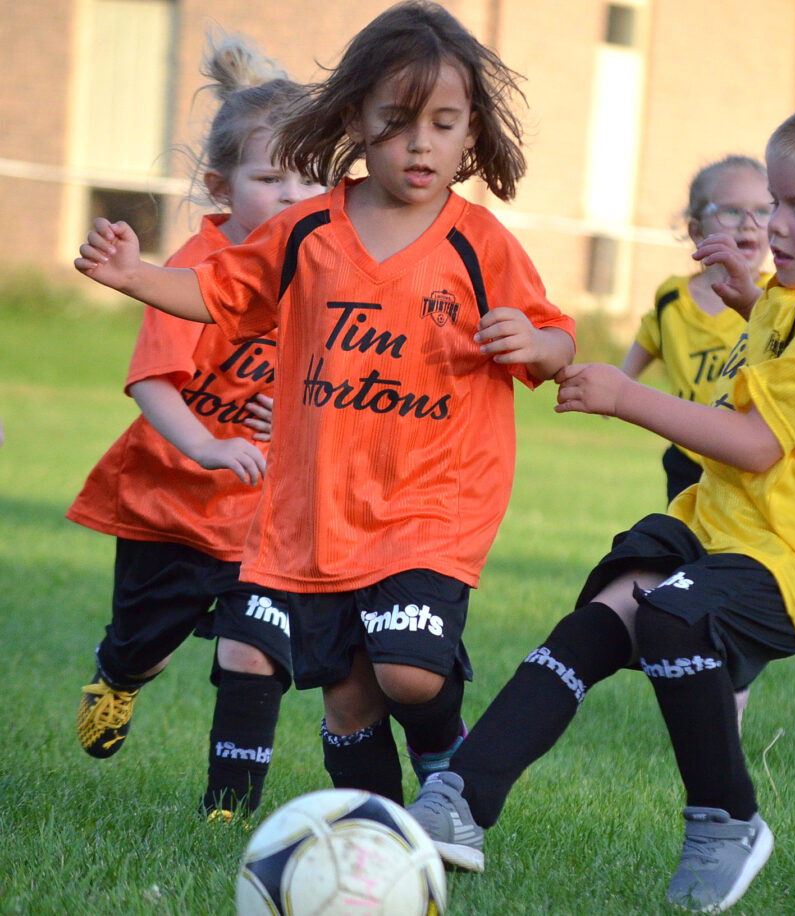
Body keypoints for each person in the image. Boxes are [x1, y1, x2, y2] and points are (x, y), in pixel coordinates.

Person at [405, 90, 795, 913]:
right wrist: (751, 296)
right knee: (599, 619)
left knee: (671, 617)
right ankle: (459, 801)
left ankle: (728, 821)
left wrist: (623, 394)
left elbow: (756, 442)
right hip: (718, 525)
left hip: (790, 557)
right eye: (771, 202)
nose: (776, 224)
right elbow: (789, 356)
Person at [74, 1, 576, 808]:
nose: (421, 143)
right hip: (324, 512)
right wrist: (135, 276)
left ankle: (451, 767)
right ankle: (380, 834)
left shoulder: (479, 244)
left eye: (444, 124)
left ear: (472, 134)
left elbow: (555, 342)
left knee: (408, 672)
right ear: (354, 120)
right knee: (348, 697)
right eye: (397, 121)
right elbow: (216, 290)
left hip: (434, 503)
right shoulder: (308, 231)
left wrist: (540, 346)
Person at [69, 34, 326, 819]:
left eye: (308, 178)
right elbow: (151, 381)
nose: (291, 196)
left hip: (260, 517)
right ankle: (119, 677)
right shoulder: (197, 265)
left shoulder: (325, 270)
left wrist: (297, 418)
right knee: (143, 643)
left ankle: (229, 812)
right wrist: (210, 445)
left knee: (253, 649)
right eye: (268, 178)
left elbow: (346, 383)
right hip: (169, 506)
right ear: (221, 185)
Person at [621, 155, 772, 504]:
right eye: (732, 211)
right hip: (687, 458)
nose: (749, 224)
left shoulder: (776, 298)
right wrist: (617, 382)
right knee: (681, 547)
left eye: (763, 212)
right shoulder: (672, 297)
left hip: (747, 462)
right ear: (696, 230)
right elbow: (649, 338)